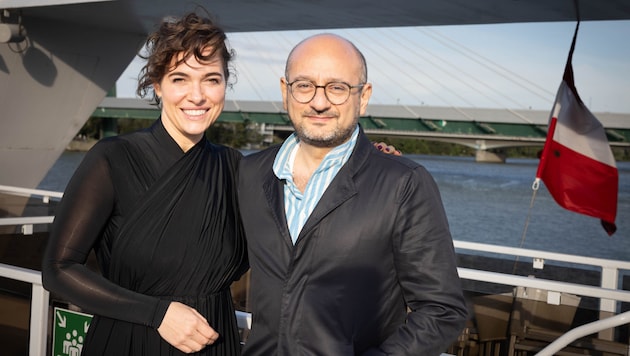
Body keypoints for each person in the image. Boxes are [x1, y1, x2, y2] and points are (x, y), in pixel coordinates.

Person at [237, 33, 468, 355]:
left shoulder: (402, 184)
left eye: (337, 87)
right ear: (284, 91)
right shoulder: (251, 174)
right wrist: (157, 313)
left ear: (364, 96)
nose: (319, 102)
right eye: (304, 85)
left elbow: (442, 310)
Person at [42, 12, 248, 355]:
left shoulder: (236, 167)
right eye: (180, 78)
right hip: (132, 340)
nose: (197, 95)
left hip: (214, 341)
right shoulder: (112, 158)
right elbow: (57, 270)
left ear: (225, 84)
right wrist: (157, 314)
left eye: (211, 79)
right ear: (158, 84)